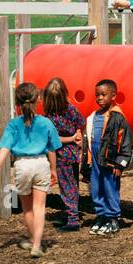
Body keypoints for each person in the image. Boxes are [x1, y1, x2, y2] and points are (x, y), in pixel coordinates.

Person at [0, 82, 61, 258]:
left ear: (17, 104)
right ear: (38, 101)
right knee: (40, 207)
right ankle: (36, 244)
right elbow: (52, 149)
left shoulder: (13, 125)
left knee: (27, 209)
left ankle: (32, 238)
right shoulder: (46, 123)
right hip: (41, 164)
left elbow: (5, 147)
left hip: (22, 166)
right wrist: (54, 170)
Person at [82, 79, 133, 235]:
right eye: (97, 95)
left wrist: (120, 164)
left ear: (113, 95)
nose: (99, 98)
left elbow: (126, 141)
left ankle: (112, 219)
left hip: (110, 161)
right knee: (96, 188)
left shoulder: (117, 117)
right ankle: (101, 216)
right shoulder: (93, 116)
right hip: (96, 160)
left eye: (103, 94)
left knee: (110, 188)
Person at [42, 78, 86, 231]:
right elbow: (82, 123)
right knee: (73, 185)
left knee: (67, 187)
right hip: (73, 155)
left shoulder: (50, 117)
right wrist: (78, 138)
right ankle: (71, 214)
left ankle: (73, 220)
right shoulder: (72, 109)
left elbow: (53, 140)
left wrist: (71, 138)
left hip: (62, 157)